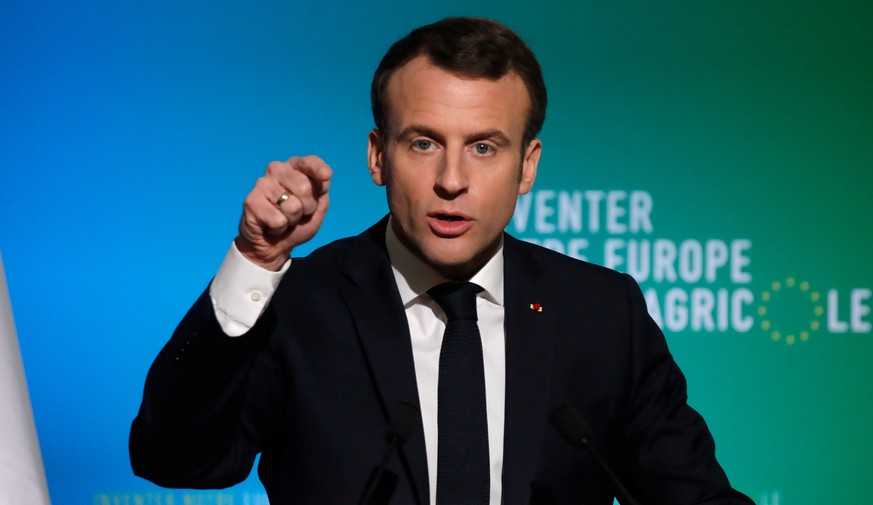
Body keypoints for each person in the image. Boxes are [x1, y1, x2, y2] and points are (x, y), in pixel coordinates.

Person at [130, 16, 753, 505]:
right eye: (423, 143)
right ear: (378, 157)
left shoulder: (600, 313)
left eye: (484, 147)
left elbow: (691, 495)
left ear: (527, 166)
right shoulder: (303, 303)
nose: (451, 180)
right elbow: (175, 459)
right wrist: (256, 258)